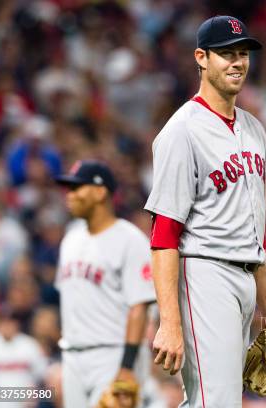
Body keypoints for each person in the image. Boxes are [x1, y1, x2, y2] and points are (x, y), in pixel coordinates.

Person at [144, 15, 266, 407]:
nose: (238, 62)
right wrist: (169, 322)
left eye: (243, 53)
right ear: (201, 58)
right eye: (226, 54)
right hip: (204, 273)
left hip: (244, 277)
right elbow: (164, 234)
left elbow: (257, 232)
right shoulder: (181, 130)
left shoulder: (254, 129)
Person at [55, 160, 156, 407]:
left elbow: (140, 307)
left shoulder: (130, 240)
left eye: (77, 188)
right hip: (73, 357)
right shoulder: (70, 240)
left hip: (113, 354)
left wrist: (127, 366)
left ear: (101, 192)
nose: (70, 195)